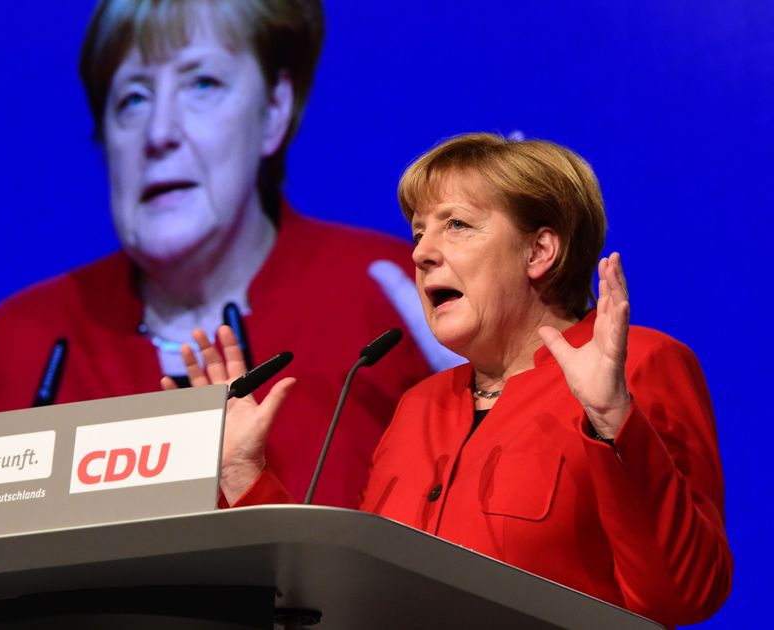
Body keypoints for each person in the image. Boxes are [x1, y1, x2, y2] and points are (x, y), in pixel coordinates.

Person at [0, 0, 461, 508]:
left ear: (273, 110)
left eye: (202, 83)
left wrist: (495, 386)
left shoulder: (393, 303)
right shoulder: (21, 340)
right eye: (132, 98)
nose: (159, 132)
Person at [171, 133, 732, 626]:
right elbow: (343, 596)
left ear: (539, 250)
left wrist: (614, 422)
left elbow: (684, 595)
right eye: (418, 232)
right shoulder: (419, 406)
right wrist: (243, 472)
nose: (420, 253)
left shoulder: (642, 365)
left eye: (457, 225)